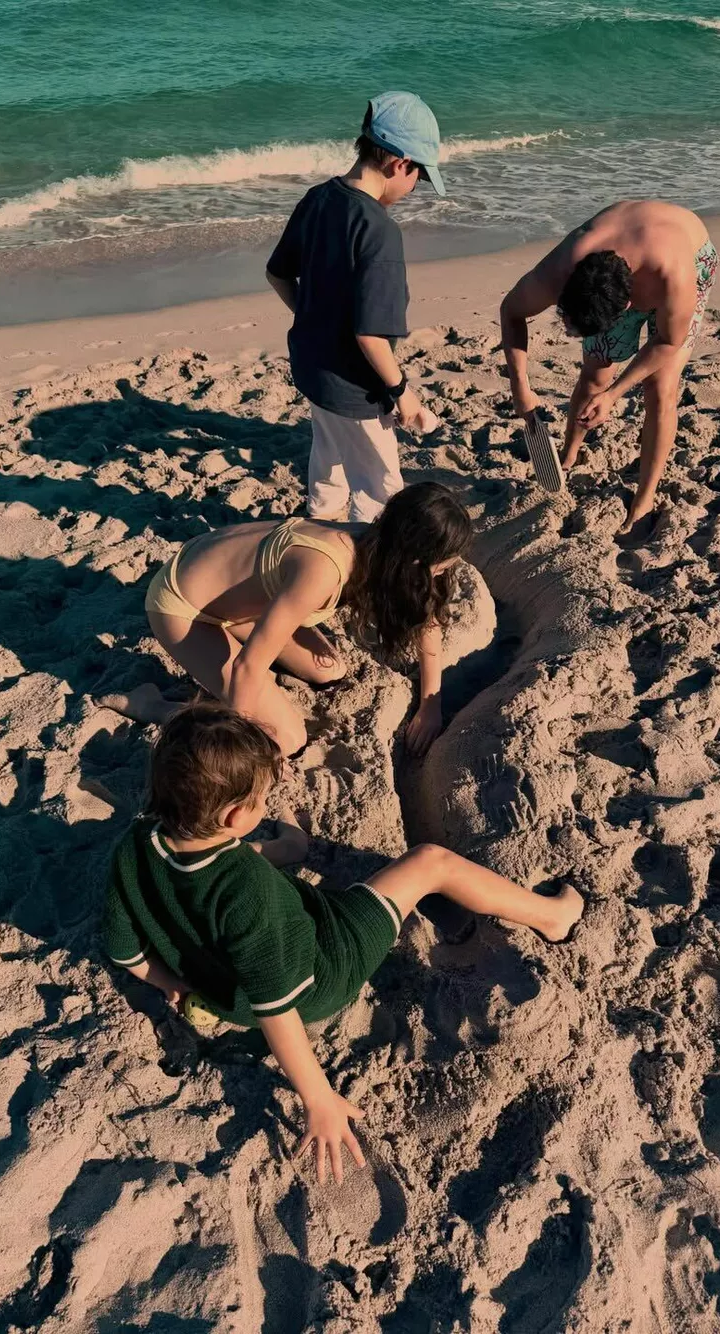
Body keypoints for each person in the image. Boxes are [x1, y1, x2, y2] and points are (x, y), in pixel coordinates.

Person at [103, 702, 585, 1184]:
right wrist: (319, 1100)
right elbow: (276, 1010)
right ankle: (553, 917)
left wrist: (171, 983)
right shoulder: (245, 891)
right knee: (430, 862)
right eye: (262, 799)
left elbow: (124, 950)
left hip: (217, 986)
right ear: (233, 816)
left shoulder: (137, 842)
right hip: (321, 971)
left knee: (242, 868)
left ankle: (291, 849)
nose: (266, 804)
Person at [99, 483, 471, 758]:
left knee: (330, 670)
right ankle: (153, 706)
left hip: (232, 594)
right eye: (443, 566)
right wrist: (246, 745)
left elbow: (427, 619)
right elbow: (248, 667)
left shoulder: (378, 543)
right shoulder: (325, 569)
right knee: (287, 739)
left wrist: (430, 705)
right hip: (184, 605)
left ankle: (234, 652)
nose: (445, 573)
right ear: (414, 560)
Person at [265, 91, 445, 524]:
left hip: (314, 367)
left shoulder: (318, 198)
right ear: (399, 163)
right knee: (380, 487)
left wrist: (312, 317)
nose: (414, 188)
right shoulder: (378, 231)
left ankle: (320, 524)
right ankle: (363, 551)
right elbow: (370, 335)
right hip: (356, 386)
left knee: (328, 458)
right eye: (419, 177)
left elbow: (277, 274)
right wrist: (403, 394)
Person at [500, 201, 718, 537]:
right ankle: (569, 454)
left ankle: (644, 498)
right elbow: (511, 310)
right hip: (623, 257)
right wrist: (520, 387)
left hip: (690, 252)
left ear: (626, 308)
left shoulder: (673, 277)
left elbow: (667, 342)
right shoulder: (562, 268)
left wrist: (614, 395)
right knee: (595, 373)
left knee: (660, 388)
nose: (568, 334)